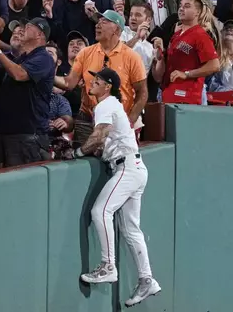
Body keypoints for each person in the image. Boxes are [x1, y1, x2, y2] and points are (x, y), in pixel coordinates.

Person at [69, 67, 161, 308]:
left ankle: (108, 265)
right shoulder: (112, 105)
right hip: (135, 167)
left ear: (107, 86)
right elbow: (105, 140)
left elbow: (99, 135)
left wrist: (77, 151)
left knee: (100, 211)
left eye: (97, 80)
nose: (93, 82)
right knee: (131, 230)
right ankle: (146, 279)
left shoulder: (106, 104)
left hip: (127, 168)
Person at [54, 10, 147, 144]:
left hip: (117, 120)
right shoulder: (85, 53)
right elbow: (69, 83)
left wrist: (129, 121)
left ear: (116, 29)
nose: (98, 24)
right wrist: (47, 75)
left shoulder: (132, 57)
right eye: (98, 22)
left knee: (116, 161)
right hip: (87, 118)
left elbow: (142, 93)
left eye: (104, 21)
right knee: (84, 160)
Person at [0, 18, 56, 166]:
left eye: (28, 27)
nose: (22, 30)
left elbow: (20, 75)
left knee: (21, 185)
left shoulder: (44, 58)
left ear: (39, 35)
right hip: (3, 131)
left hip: (27, 135)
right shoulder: (20, 59)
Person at [152, 0, 221, 104]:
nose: (181, 9)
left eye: (187, 6)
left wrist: (187, 74)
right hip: (168, 92)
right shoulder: (176, 35)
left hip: (187, 97)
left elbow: (215, 65)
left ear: (198, 12)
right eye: (180, 5)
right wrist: (161, 54)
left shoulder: (201, 35)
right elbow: (159, 76)